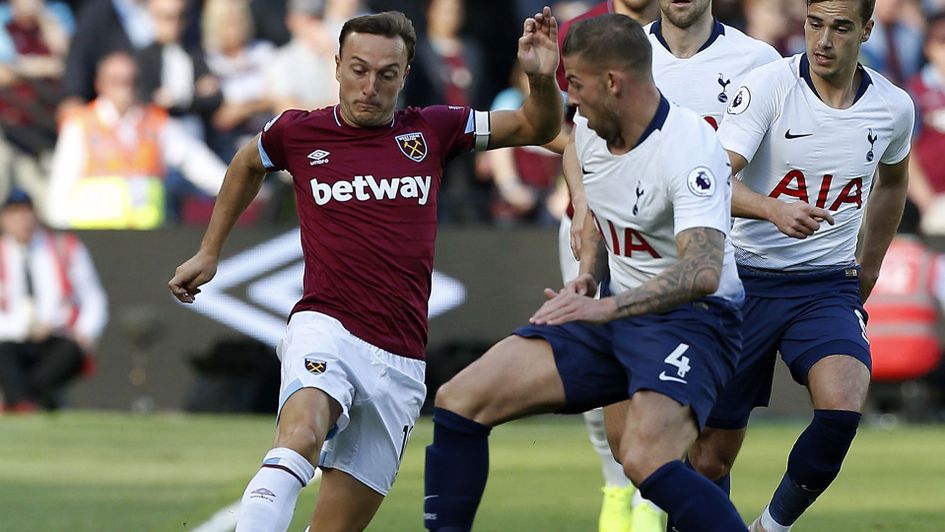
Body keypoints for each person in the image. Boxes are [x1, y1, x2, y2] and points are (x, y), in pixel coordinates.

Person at [168, 8, 562, 532]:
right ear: (336, 66)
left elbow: (539, 125)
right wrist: (210, 250)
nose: (369, 86)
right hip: (325, 326)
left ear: (405, 74)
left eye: (386, 74)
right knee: (300, 435)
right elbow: (246, 162)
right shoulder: (298, 133)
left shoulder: (436, 129)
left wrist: (538, 76)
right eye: (358, 69)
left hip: (401, 359)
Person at [424, 14, 748, 532]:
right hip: (613, 310)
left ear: (612, 83)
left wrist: (603, 306)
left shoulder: (689, 148)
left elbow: (703, 271)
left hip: (694, 321)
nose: (570, 99)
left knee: (644, 461)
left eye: (574, 84)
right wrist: (589, 276)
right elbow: (596, 202)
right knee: (459, 400)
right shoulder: (594, 129)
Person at [685, 0, 915, 530]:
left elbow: (895, 183)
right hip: (742, 278)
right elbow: (710, 177)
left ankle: (770, 527)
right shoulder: (769, 87)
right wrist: (771, 208)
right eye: (815, 25)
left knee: (842, 407)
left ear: (867, 30)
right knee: (711, 457)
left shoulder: (893, 106)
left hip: (826, 285)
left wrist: (869, 268)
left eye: (840, 28)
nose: (824, 41)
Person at [47, 51, 226, 230]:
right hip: (95, 235)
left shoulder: (156, 124)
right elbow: (62, 182)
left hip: (146, 237)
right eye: (116, 81)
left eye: (131, 81)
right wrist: (63, 232)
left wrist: (237, 189)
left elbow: (195, 162)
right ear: (100, 84)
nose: (125, 88)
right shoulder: (81, 125)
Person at [0, 189, 108, 411]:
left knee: (70, 352)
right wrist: (23, 328)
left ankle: (21, 401)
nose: (22, 220)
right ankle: (29, 402)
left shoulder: (64, 247)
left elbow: (93, 296)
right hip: (11, 339)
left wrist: (85, 330)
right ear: (4, 219)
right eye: (15, 214)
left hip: (56, 337)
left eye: (26, 213)